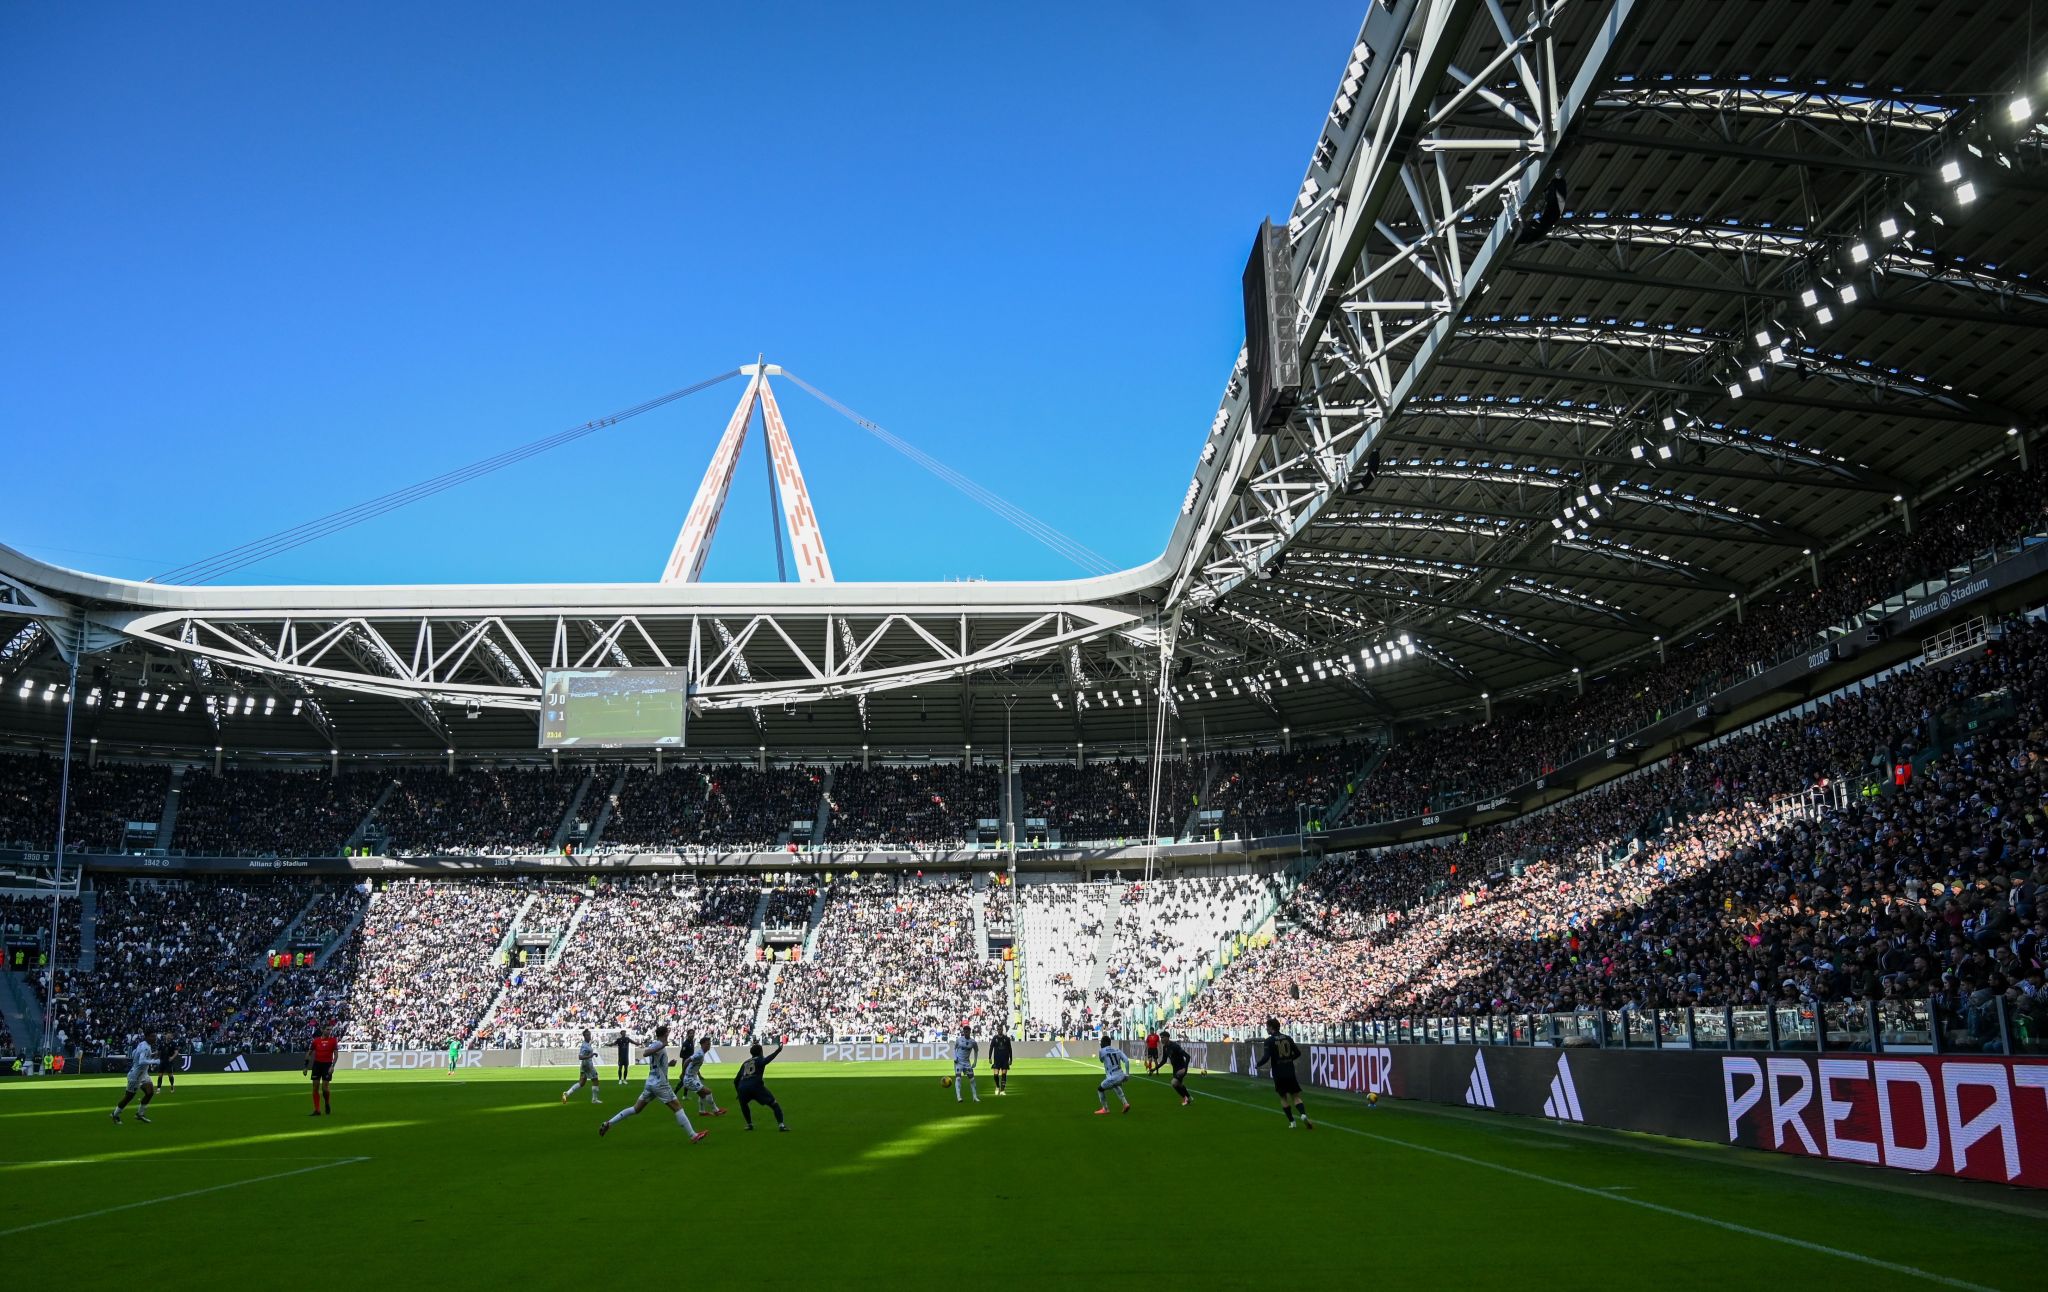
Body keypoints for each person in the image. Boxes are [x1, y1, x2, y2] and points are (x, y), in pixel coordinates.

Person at [598, 1025, 708, 1143]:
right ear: (665, 1033)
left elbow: (657, 1062)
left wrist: (668, 1064)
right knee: (678, 1108)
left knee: (636, 1109)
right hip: (660, 1084)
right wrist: (662, 1045)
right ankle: (693, 1135)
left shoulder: (658, 1045)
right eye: (667, 1032)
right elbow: (646, 1053)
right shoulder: (658, 1044)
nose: (669, 1034)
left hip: (651, 1082)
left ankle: (609, 1123)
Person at [1262, 1017, 1311, 1130]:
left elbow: (1266, 1057)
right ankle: (1303, 1114)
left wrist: (1258, 1064)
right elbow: (1298, 1053)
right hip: (1289, 1071)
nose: (1266, 1029)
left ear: (1271, 1028)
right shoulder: (1288, 1038)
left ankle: (1292, 1122)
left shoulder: (1269, 1040)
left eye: (1267, 1027)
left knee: (1283, 1097)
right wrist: (1289, 1059)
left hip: (1278, 1073)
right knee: (1296, 1096)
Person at [734, 1040, 788, 1131]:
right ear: (760, 1052)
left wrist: (738, 1092)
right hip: (756, 1086)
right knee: (774, 1104)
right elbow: (767, 1060)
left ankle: (749, 1124)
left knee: (744, 1105)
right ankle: (781, 1125)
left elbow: (736, 1080)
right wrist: (778, 1051)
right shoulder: (759, 1060)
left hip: (742, 1088)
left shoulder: (745, 1063)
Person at [111, 1034, 157, 1124]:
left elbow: (134, 1054)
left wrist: (153, 1054)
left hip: (143, 1074)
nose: (154, 1038)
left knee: (150, 1092)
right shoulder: (145, 1047)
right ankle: (115, 1115)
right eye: (152, 1037)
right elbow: (142, 1061)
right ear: (147, 1037)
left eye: (155, 1037)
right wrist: (155, 1061)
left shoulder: (142, 1044)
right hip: (135, 1075)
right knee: (129, 1097)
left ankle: (140, 1114)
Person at [681, 1035, 726, 1118]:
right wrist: (683, 1073)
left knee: (702, 1095)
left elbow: (694, 1065)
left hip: (693, 1077)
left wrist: (699, 1075)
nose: (709, 1046)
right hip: (689, 1079)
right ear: (702, 1044)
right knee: (708, 1091)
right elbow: (687, 1061)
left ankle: (702, 1111)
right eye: (707, 1044)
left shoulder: (701, 1053)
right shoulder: (700, 1054)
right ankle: (716, 1110)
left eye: (709, 1044)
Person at [561, 1028, 603, 1105]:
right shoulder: (584, 1045)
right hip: (587, 1065)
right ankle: (594, 1099)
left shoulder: (587, 1044)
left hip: (584, 1065)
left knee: (582, 1083)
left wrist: (592, 1054)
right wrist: (590, 1055)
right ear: (584, 1036)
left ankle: (567, 1093)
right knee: (595, 1080)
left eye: (589, 1034)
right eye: (587, 1035)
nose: (589, 1036)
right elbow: (580, 1057)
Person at [305, 1024, 339, 1116]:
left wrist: (332, 1066)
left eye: (330, 1029)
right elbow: (309, 1053)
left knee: (325, 1088)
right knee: (315, 1087)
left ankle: (327, 1103)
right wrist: (305, 1067)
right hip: (317, 1065)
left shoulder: (333, 1041)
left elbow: (336, 1055)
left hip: (327, 1065)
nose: (329, 1031)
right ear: (323, 1030)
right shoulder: (316, 1041)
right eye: (327, 1029)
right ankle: (317, 1110)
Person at [1092, 1037, 1132, 1116]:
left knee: (1100, 1089)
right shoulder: (1117, 1050)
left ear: (1104, 1043)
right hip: (1121, 1075)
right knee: (1116, 1086)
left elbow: (1101, 1060)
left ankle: (1105, 1109)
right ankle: (1125, 1103)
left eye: (1101, 1042)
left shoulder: (1102, 1051)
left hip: (1112, 1076)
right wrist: (1127, 1074)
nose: (1100, 1044)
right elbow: (1127, 1061)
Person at [1158, 1030, 1193, 1106]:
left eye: (1163, 1037)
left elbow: (1187, 1056)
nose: (1161, 1039)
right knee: (1179, 1085)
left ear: (1167, 1038)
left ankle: (1185, 1098)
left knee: (1174, 1083)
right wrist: (1155, 1068)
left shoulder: (1175, 1046)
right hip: (1175, 1069)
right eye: (1161, 1038)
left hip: (1181, 1068)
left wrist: (1185, 1069)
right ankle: (1189, 1097)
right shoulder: (1165, 1047)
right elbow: (1164, 1060)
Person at [950, 1023, 980, 1104]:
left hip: (967, 1063)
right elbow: (954, 1049)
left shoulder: (973, 1042)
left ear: (970, 1032)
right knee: (958, 1078)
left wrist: (975, 1062)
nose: (966, 1033)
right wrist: (955, 1057)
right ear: (963, 1032)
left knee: (972, 1080)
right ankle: (959, 1097)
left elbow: (976, 1051)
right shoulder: (959, 1040)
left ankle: (975, 1097)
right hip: (959, 1062)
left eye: (968, 1032)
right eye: (965, 1031)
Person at [989, 1027, 1013, 1096]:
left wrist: (1011, 1059)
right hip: (997, 1059)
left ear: (1002, 1030)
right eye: (998, 1029)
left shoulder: (1007, 1039)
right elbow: (991, 1048)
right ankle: (997, 1087)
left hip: (1005, 1059)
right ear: (997, 1030)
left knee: (1004, 1074)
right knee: (996, 1074)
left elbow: (1010, 1049)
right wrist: (989, 1057)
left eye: (1000, 1029)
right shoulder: (994, 1038)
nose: (999, 1030)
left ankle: (1002, 1090)